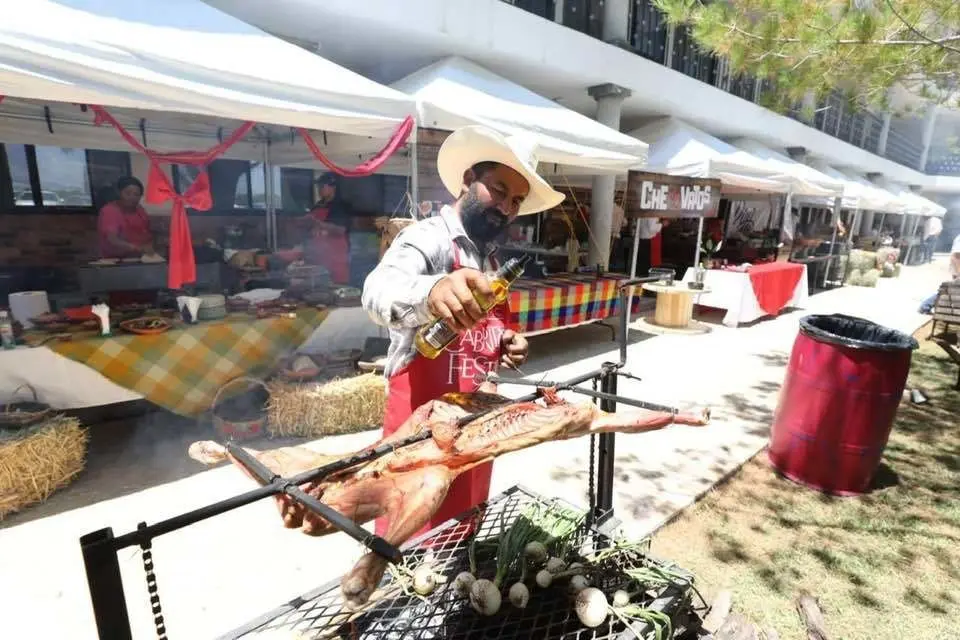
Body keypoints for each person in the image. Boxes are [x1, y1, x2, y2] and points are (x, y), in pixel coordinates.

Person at [361, 125, 564, 540]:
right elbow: (377, 290)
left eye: (516, 201)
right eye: (499, 190)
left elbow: (488, 331)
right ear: (469, 179)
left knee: (461, 536)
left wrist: (506, 343)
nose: (507, 207)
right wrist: (432, 290)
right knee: (410, 540)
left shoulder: (489, 257)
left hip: (475, 426)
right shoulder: (427, 238)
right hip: (422, 428)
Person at [300, 172, 352, 283]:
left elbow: (340, 230)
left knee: (338, 289)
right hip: (319, 257)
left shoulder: (341, 206)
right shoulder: (318, 206)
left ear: (333, 187)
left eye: (322, 186)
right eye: (318, 186)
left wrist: (318, 223)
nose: (319, 189)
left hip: (337, 259)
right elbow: (309, 229)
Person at [97, 176, 153, 258]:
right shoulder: (110, 211)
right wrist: (136, 248)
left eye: (136, 194)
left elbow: (147, 234)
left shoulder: (140, 210)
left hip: (140, 259)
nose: (132, 197)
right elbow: (112, 240)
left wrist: (149, 248)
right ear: (119, 193)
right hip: (115, 261)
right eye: (128, 193)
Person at [919, 232, 960, 314]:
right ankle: (925, 305)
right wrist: (959, 272)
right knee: (951, 290)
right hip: (958, 268)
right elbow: (956, 256)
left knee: (954, 290)